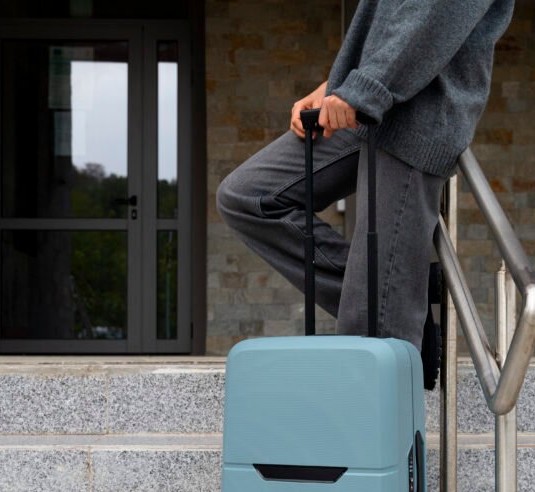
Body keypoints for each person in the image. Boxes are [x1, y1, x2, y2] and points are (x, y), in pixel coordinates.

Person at [217, 0, 515, 389]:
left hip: (415, 119)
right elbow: (390, 18)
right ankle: (402, 294)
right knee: (248, 196)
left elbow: (434, 14)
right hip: (367, 103)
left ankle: (396, 304)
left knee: (370, 332)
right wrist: (337, 85)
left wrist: (365, 86)